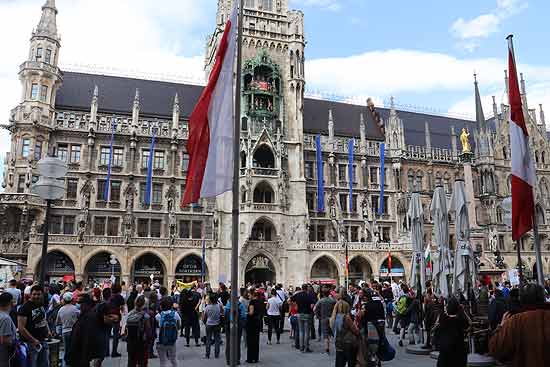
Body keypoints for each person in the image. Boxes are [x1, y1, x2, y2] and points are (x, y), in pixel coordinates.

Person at [489, 284, 550, 367]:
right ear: (543, 298)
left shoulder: (514, 321)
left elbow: (496, 349)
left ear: (521, 299)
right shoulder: (515, 320)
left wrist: (501, 326)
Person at [18, 285, 51, 367]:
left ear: (42, 294)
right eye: (34, 294)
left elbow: (43, 319)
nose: (36, 296)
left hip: (42, 340)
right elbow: (21, 328)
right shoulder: (24, 308)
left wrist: (48, 330)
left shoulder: (41, 304)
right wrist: (33, 340)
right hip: (30, 343)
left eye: (38, 294)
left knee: (44, 364)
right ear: (30, 294)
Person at [434, 297, 470, 367]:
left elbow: (437, 324)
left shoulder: (443, 317)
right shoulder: (460, 319)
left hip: (445, 351)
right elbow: (469, 323)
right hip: (458, 351)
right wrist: (463, 311)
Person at [125, 296, 152, 367]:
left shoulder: (129, 314)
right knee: (142, 362)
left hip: (131, 342)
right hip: (141, 343)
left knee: (131, 361)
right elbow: (148, 331)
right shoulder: (145, 316)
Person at [330, 300, 359, 367]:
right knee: (351, 361)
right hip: (348, 342)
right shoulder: (346, 317)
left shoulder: (333, 318)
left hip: (338, 342)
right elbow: (355, 331)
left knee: (339, 361)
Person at [56, 292, 80, 367]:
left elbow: (58, 322)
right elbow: (80, 317)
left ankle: (66, 364)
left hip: (64, 331)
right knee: (74, 348)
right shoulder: (75, 308)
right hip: (74, 331)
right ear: (72, 299)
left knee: (66, 349)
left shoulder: (61, 310)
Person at [156, 297, 181, 367]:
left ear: (161, 306)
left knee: (163, 361)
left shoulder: (158, 316)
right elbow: (179, 326)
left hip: (161, 340)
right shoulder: (175, 314)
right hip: (172, 340)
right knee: (173, 359)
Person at [291, 284, 316, 353]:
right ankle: (306, 347)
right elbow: (313, 304)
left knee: (301, 331)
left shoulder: (298, 295)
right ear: (307, 288)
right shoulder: (309, 295)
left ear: (302, 288)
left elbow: (289, 300)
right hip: (307, 314)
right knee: (307, 332)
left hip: (299, 314)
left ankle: (301, 347)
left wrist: (295, 306)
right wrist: (311, 308)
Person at [224, 293, 247, 365]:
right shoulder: (241, 305)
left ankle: (228, 360)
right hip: (238, 326)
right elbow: (244, 316)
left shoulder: (228, 305)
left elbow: (225, 314)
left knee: (228, 343)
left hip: (229, 326)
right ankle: (237, 360)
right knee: (237, 343)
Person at [314, 287, 336, 354]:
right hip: (332, 318)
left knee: (326, 334)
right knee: (334, 333)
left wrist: (318, 316)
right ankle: (337, 347)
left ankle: (327, 348)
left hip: (323, 318)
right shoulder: (333, 300)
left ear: (323, 294)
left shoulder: (321, 300)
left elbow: (315, 309)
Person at [0, 292, 17, 367]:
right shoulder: (6, 318)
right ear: (10, 302)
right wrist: (15, 343)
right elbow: (5, 340)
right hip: (3, 355)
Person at [203, 294, 222, 359]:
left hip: (209, 324)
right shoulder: (219, 306)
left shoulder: (207, 307)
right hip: (217, 324)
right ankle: (217, 354)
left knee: (208, 339)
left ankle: (207, 354)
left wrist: (205, 322)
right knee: (217, 339)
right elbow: (222, 313)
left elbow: (204, 317)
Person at [109, 284, 125, 357]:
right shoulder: (120, 297)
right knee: (116, 335)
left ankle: (106, 351)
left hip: (108, 316)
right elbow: (122, 307)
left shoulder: (110, 296)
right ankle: (114, 352)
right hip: (116, 316)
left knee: (107, 334)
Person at [246, 290, 263, 363]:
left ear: (253, 295)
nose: (248, 296)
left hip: (251, 323)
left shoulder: (252, 302)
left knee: (250, 341)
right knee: (256, 341)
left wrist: (246, 313)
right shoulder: (260, 301)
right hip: (257, 322)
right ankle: (256, 358)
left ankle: (250, 358)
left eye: (249, 295)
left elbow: (251, 312)